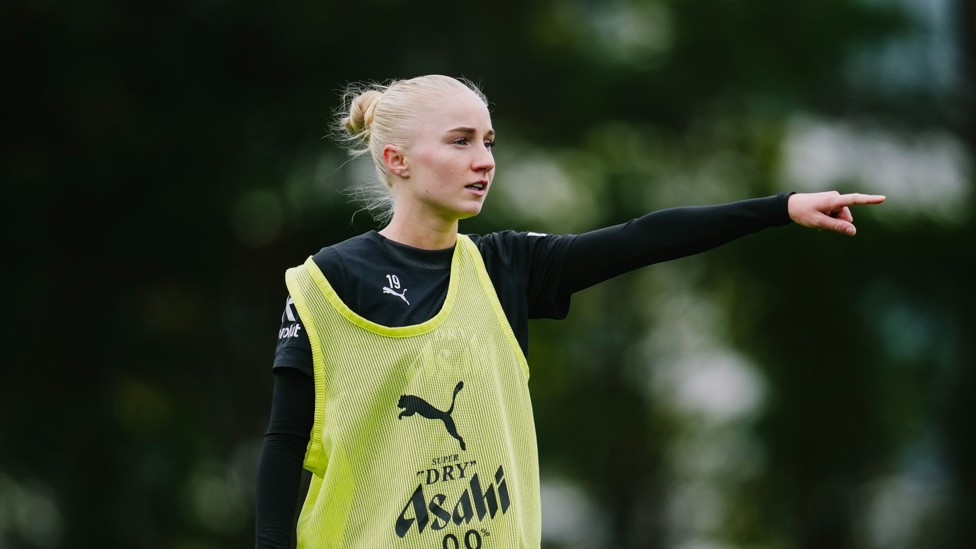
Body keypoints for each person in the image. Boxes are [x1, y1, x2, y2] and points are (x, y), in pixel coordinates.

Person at [254, 74, 885, 548]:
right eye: (461, 141)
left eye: (489, 142)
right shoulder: (328, 281)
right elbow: (285, 448)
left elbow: (642, 237)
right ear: (397, 160)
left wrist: (778, 207)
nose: (485, 160)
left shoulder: (507, 267)